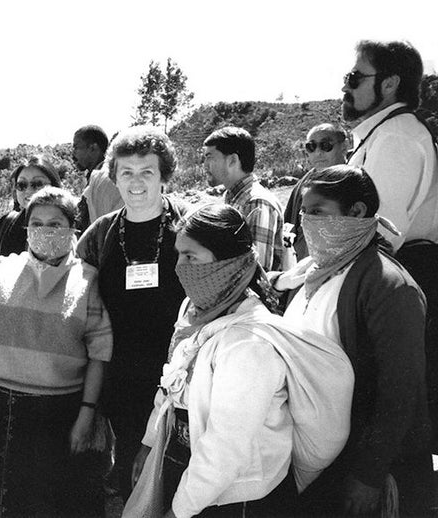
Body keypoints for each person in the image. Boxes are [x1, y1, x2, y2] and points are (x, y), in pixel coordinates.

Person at [125, 204, 353, 518]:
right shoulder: (195, 311)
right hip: (194, 479)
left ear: (228, 262)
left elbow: (224, 449)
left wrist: (179, 511)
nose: (180, 267)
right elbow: (171, 384)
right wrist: (151, 442)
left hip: (236, 498)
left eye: (191, 257)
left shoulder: (248, 345)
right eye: (178, 255)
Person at [272, 165, 433, 516]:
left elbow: (400, 389)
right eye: (302, 212)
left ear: (356, 213)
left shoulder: (388, 286)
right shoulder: (313, 273)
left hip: (360, 465)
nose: (305, 222)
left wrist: (368, 474)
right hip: (315, 457)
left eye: (317, 211)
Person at [0, 187, 113, 517]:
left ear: (74, 228)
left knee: (45, 502)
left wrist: (86, 414)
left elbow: (100, 353)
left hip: (57, 414)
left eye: (56, 223)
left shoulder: (87, 282)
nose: (45, 231)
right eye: (36, 222)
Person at [76, 125, 190, 501]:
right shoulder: (100, 234)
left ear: (164, 175)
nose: (136, 182)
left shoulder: (190, 225)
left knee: (180, 479)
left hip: (182, 376)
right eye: (127, 172)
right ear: (115, 177)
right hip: (121, 377)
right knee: (130, 473)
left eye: (147, 172)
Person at [342, 40, 438, 448]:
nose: (345, 87)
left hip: (394, 295)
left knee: (393, 428)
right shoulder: (385, 134)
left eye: (354, 77)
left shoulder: (396, 139)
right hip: (390, 290)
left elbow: (377, 238)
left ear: (389, 84)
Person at [202, 126, 284, 271]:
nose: (205, 165)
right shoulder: (232, 197)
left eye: (210, 157)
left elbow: (257, 272)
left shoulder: (256, 203)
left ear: (232, 160)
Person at [0, 154, 61, 266]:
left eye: (37, 184)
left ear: (55, 186)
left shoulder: (72, 228)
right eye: (22, 185)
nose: (28, 191)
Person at [283, 123, 349, 260]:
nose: (318, 152)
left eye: (325, 145)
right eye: (311, 147)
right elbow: (288, 229)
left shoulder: (355, 183)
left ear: (344, 146)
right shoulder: (302, 187)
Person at [73, 125, 124, 232]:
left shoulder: (105, 179)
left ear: (93, 148)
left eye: (76, 147)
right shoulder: (96, 176)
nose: (73, 154)